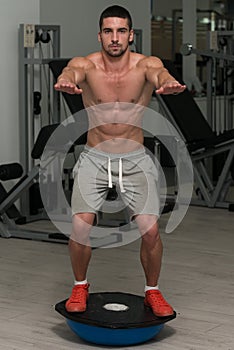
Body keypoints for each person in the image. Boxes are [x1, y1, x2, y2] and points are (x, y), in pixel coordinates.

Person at [54, 5, 186, 317]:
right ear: (99, 35)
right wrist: (65, 81)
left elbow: (159, 73)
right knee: (79, 228)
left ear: (130, 35)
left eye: (121, 31)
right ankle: (80, 285)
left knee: (150, 231)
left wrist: (166, 82)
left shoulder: (145, 65)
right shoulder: (86, 65)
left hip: (135, 158)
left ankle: (152, 291)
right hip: (95, 155)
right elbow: (71, 72)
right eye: (109, 31)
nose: (115, 38)